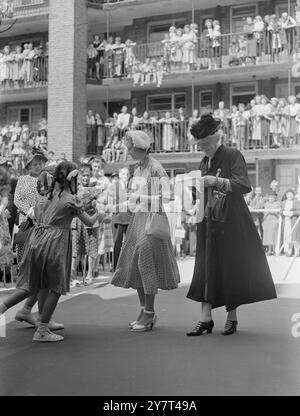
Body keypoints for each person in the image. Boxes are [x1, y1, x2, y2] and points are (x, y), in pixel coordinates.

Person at [186, 115, 276, 336]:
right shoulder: (204, 161)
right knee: (205, 269)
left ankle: (231, 317)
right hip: (208, 221)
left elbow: (244, 185)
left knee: (229, 268)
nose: (203, 149)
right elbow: (203, 191)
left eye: (206, 144)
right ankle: (205, 318)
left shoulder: (233, 155)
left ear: (216, 138)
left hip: (230, 221)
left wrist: (215, 181)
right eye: (200, 145)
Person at [0, 161, 101, 342]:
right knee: (55, 286)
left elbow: (39, 215)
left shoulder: (46, 196)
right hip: (55, 243)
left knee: (33, 285)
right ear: (73, 178)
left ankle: (2, 307)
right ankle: (42, 329)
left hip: (36, 239)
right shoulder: (71, 200)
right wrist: (99, 214)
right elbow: (90, 222)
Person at [111, 130, 180, 332]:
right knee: (135, 265)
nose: (129, 152)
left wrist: (145, 199)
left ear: (141, 148)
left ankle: (149, 313)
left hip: (151, 221)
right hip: (138, 220)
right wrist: (114, 207)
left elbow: (170, 196)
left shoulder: (155, 167)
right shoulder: (139, 167)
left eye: (130, 148)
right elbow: (134, 198)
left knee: (145, 263)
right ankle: (144, 310)